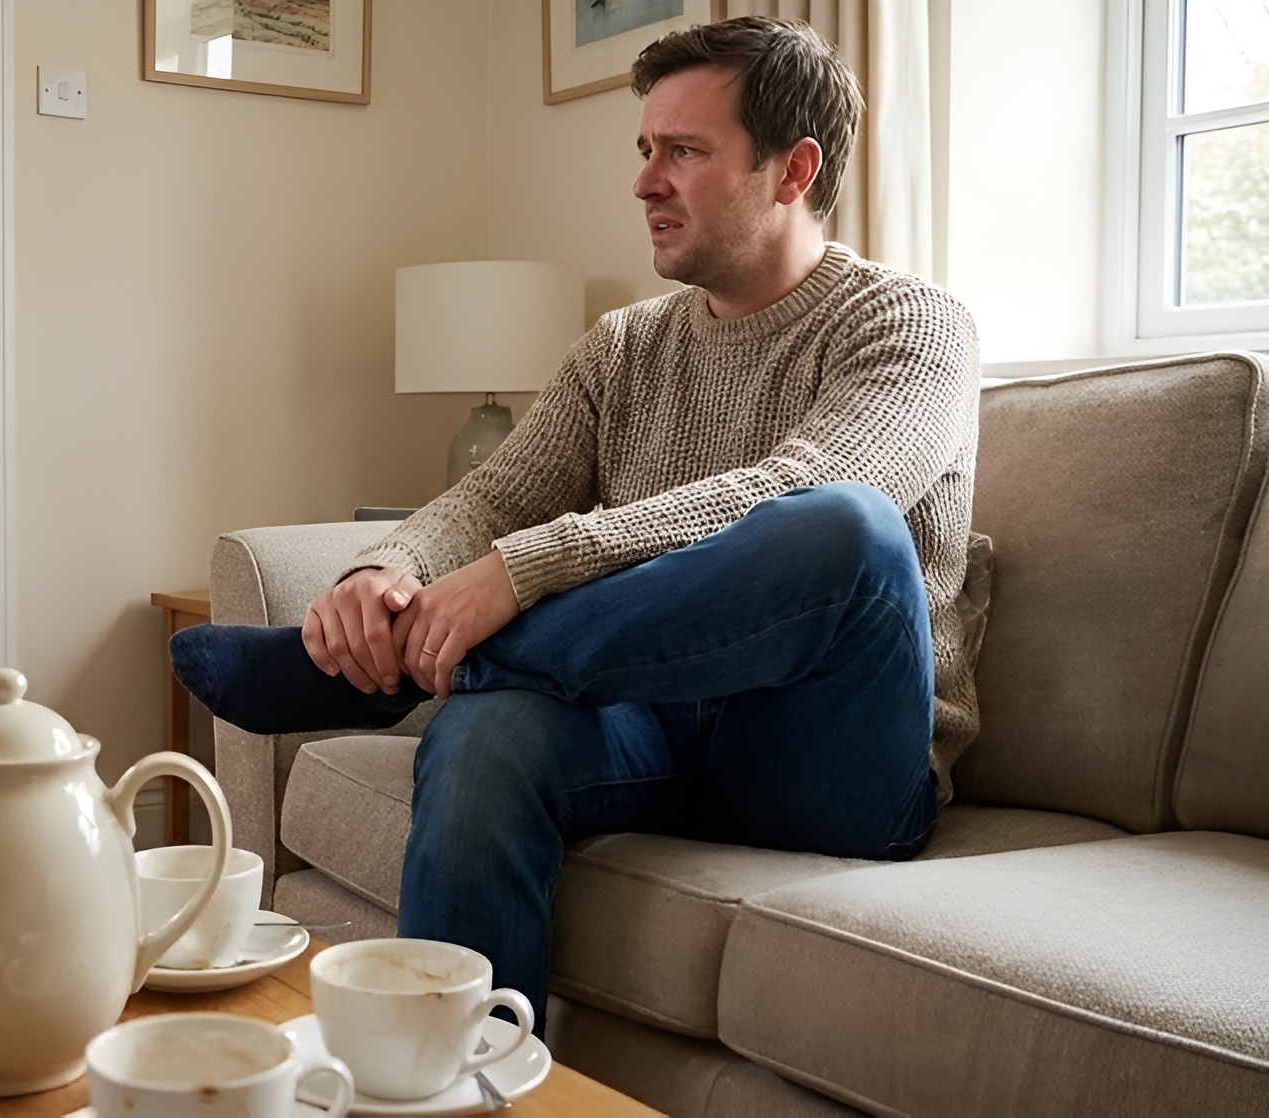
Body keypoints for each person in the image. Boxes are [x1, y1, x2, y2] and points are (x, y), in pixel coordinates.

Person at [170, 15, 981, 1025]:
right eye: (645, 150)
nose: (644, 182)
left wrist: (511, 580)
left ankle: (436, 660)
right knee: (482, 735)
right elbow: (494, 494)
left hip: (825, 754)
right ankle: (456, 1079)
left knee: (843, 527)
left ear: (791, 170)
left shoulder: (909, 325)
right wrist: (381, 575)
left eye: (682, 152)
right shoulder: (622, 347)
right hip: (642, 712)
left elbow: (787, 486)